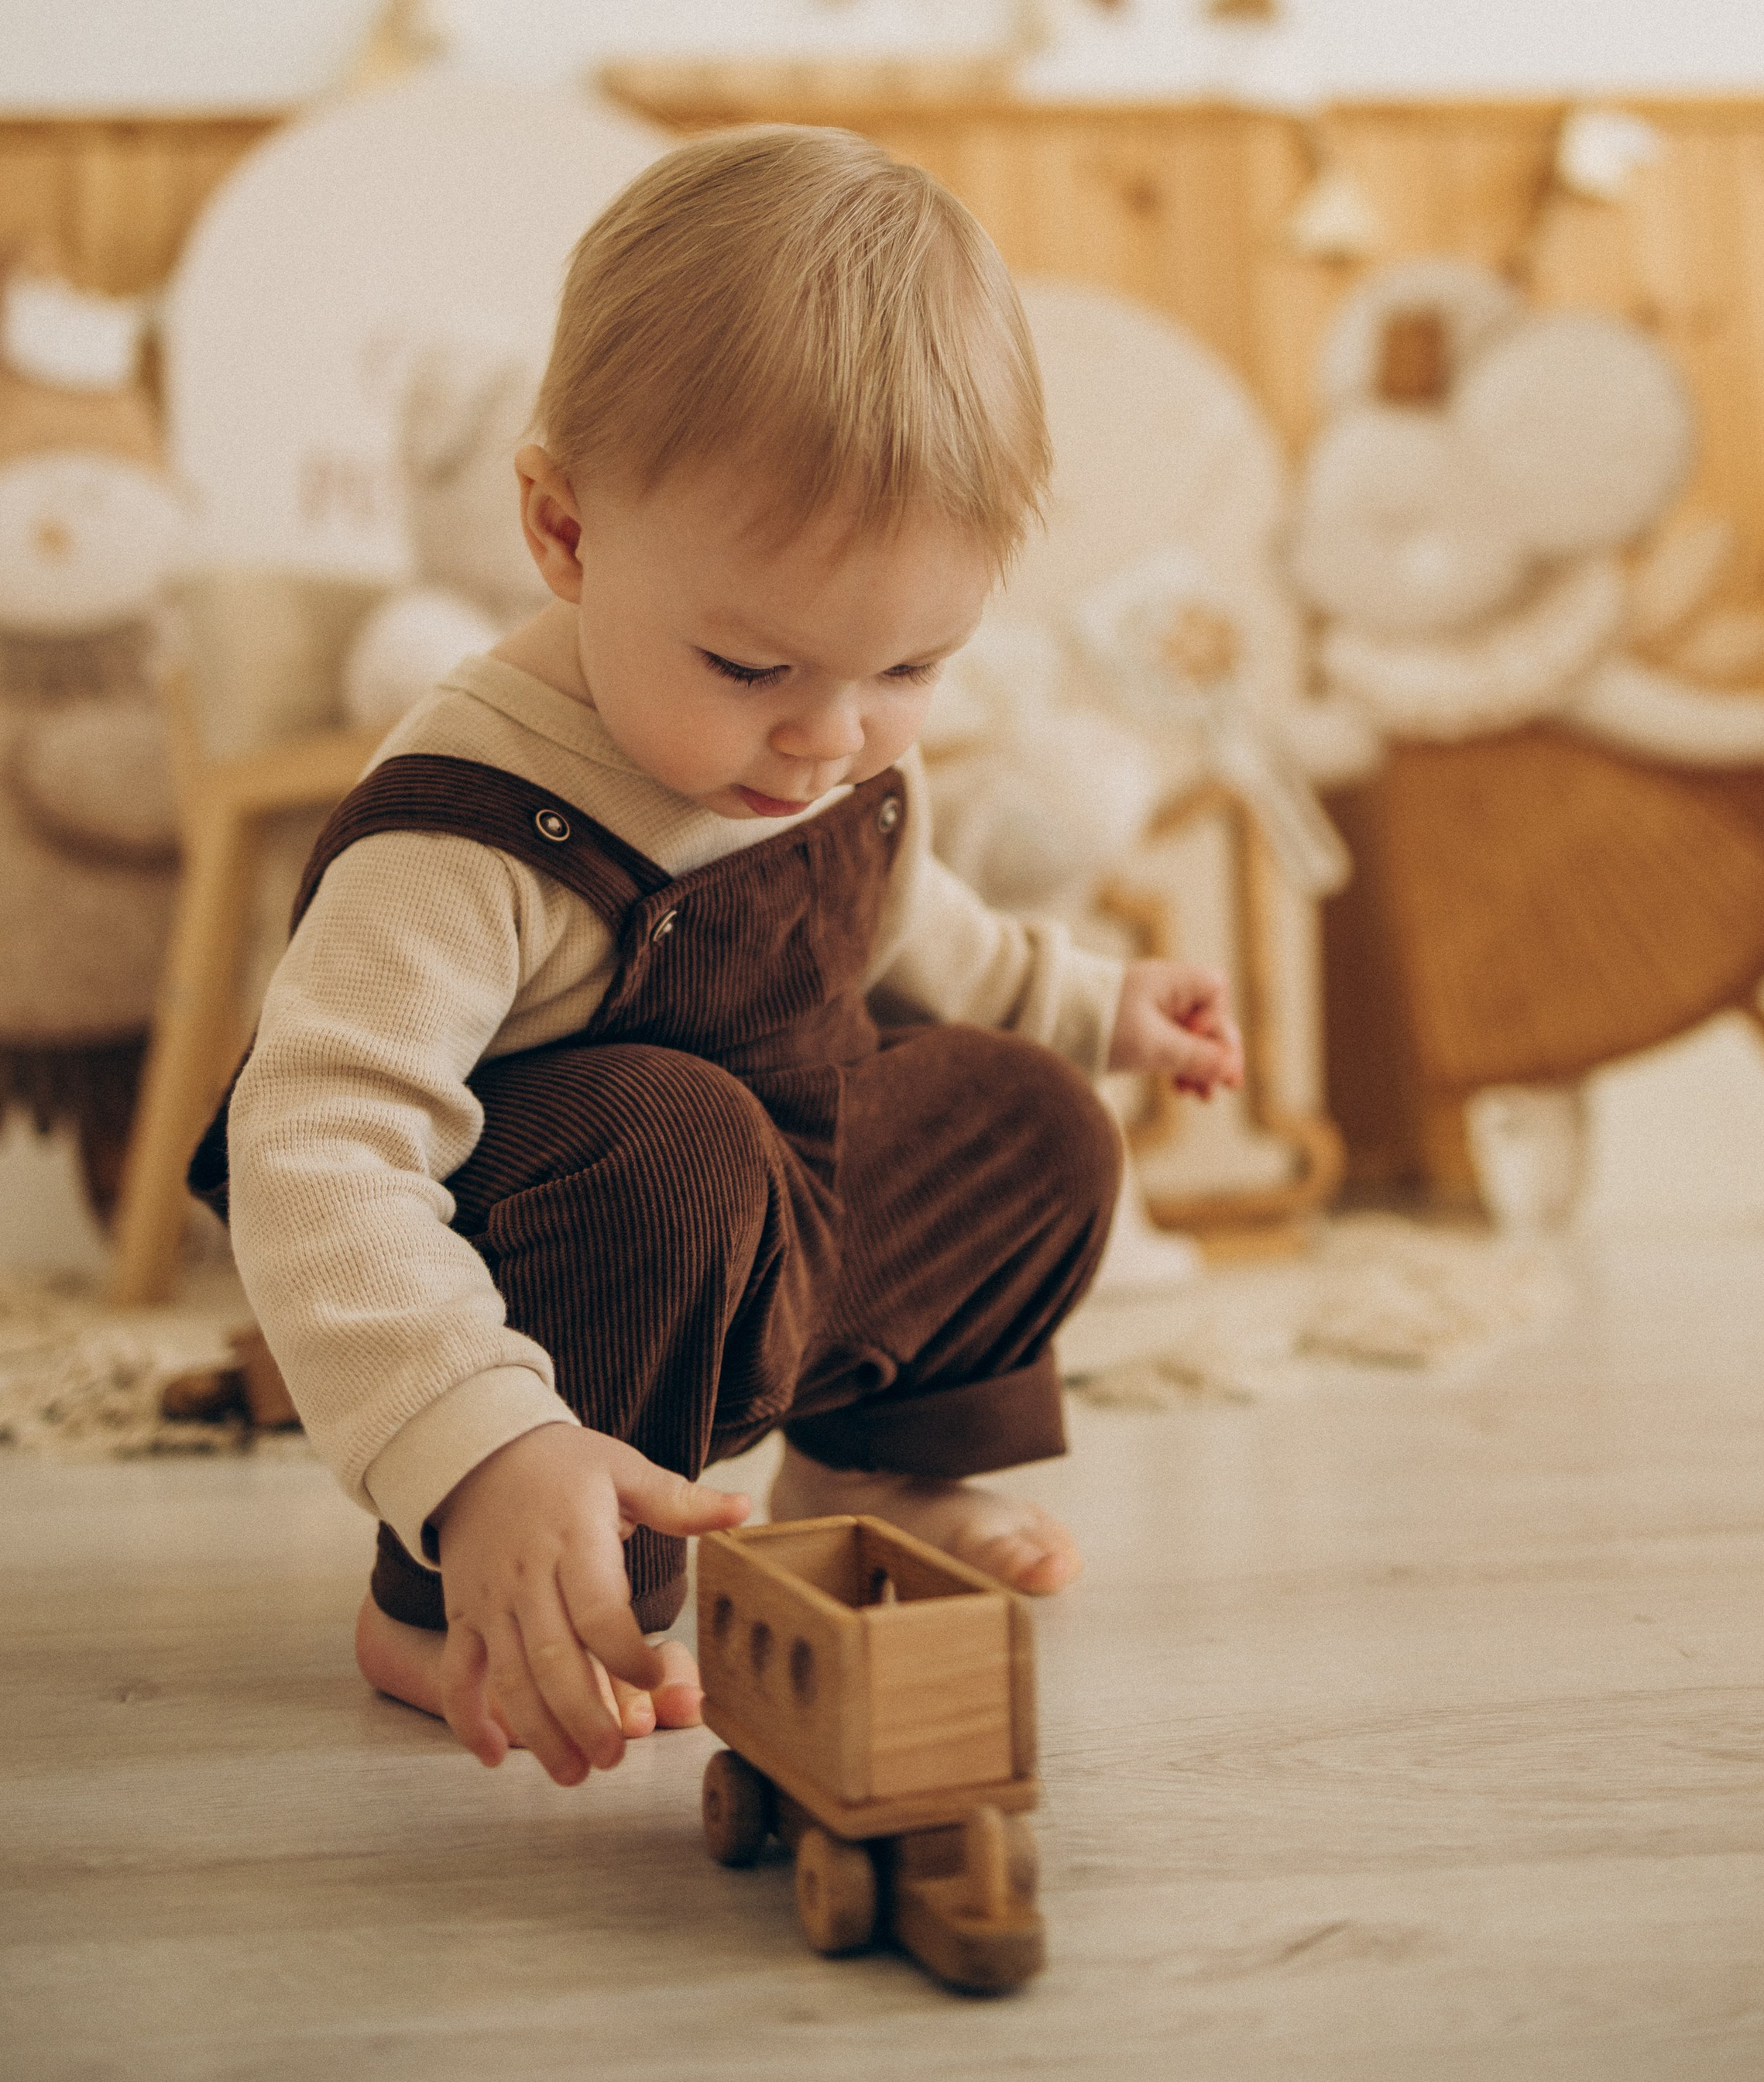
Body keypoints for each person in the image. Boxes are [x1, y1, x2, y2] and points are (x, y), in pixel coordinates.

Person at [205, 125, 1242, 1792]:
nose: (830, 733)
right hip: (575, 1288)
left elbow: (901, 917)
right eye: (753, 663)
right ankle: (453, 1599)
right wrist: (478, 1444)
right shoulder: (469, 831)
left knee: (1032, 1116)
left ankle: (877, 1477)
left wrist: (1085, 1005)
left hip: (793, 1227)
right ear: (560, 529)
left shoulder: (816, 734)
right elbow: (315, 1147)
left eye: (911, 663)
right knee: (673, 1142)